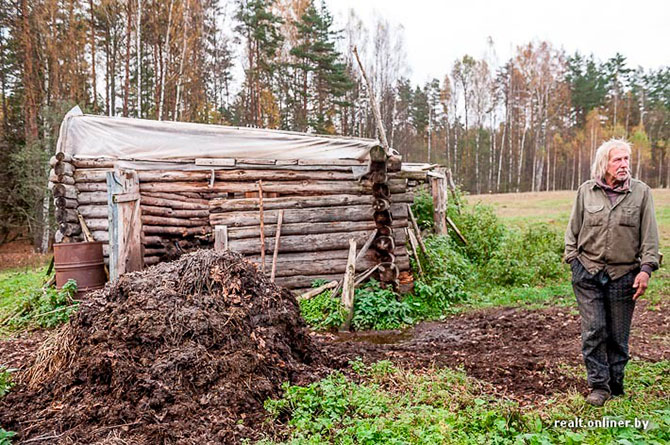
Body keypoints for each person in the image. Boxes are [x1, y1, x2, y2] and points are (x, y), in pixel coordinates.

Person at [564, 138, 660, 407]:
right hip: (588, 272)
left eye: (627, 159)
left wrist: (646, 269)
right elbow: (572, 230)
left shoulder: (641, 193)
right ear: (604, 163)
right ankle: (598, 385)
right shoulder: (586, 191)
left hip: (624, 274)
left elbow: (650, 236)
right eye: (618, 159)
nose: (624, 164)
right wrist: (573, 260)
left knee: (618, 335)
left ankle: (615, 383)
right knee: (594, 329)